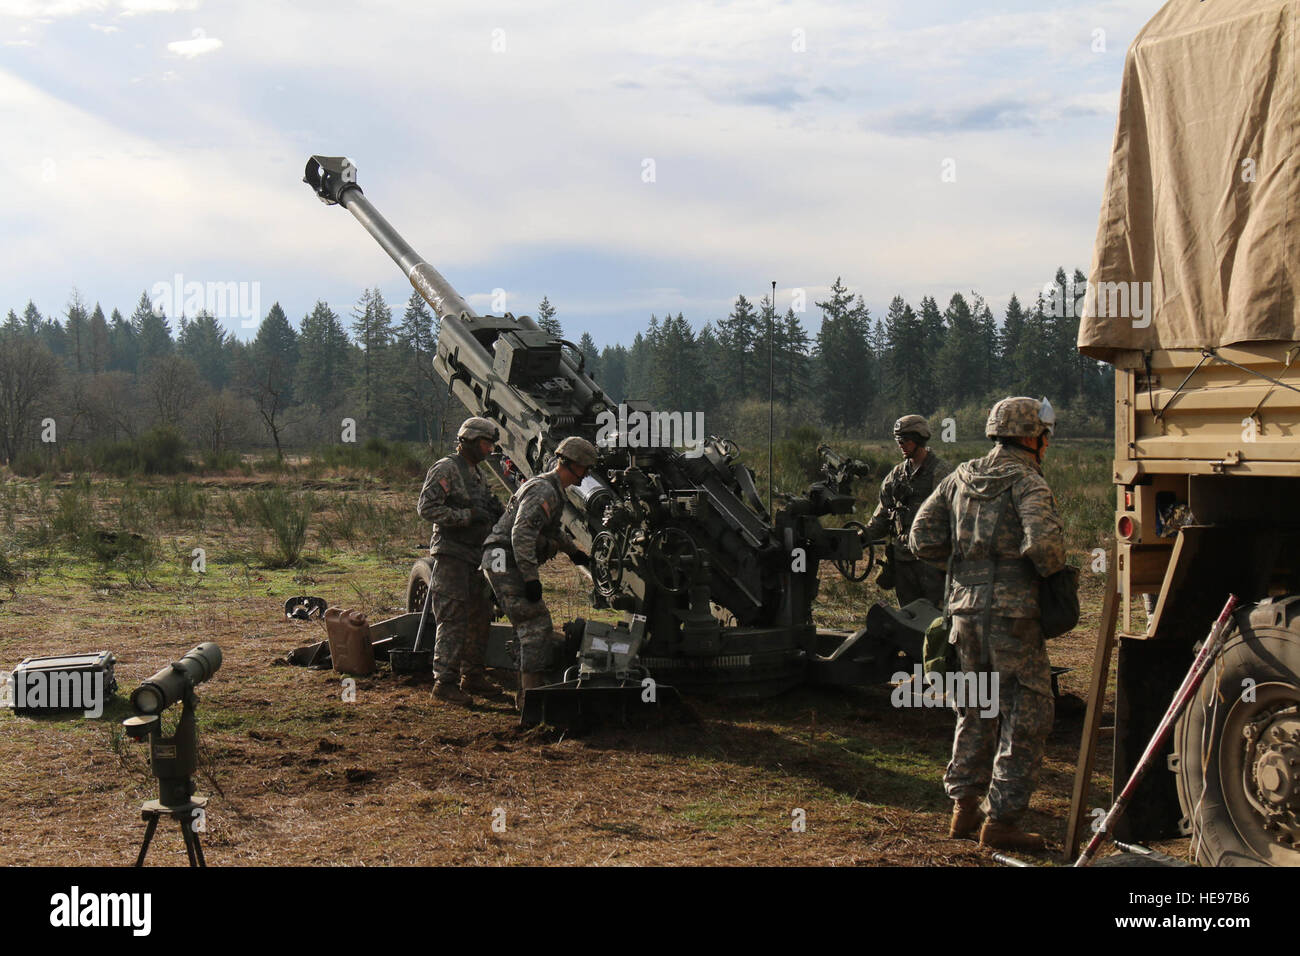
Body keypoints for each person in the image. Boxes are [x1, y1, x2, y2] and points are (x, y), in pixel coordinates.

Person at [908, 397, 1065, 851]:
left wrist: (968, 570)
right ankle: (1002, 820)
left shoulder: (960, 476)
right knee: (1026, 714)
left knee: (976, 706)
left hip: (963, 612)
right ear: (1035, 438)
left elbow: (921, 538)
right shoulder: (1028, 482)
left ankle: (963, 808)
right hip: (1013, 618)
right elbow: (1046, 550)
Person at [481, 436, 595, 707]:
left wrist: (574, 552)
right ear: (571, 464)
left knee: (530, 622)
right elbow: (521, 534)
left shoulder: (554, 490)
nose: (587, 474)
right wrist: (531, 579)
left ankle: (531, 689)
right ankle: (530, 699)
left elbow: (552, 531)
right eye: (585, 467)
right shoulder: (544, 491)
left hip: (504, 558)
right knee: (534, 623)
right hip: (502, 559)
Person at [416, 417, 506, 705]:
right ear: (468, 441)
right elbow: (427, 508)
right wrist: (465, 517)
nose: (488, 449)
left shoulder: (477, 474)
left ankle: (473, 676)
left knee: (481, 615)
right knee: (452, 619)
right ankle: (444, 683)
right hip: (452, 555)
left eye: (491, 444)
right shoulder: (447, 468)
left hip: (475, 556)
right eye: (484, 443)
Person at [864, 415, 951, 608]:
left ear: (919, 439)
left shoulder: (941, 472)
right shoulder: (896, 475)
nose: (900, 445)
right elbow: (882, 516)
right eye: (898, 441)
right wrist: (860, 537)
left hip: (932, 562)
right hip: (903, 560)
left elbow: (954, 517)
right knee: (908, 619)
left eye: (905, 440)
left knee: (936, 619)